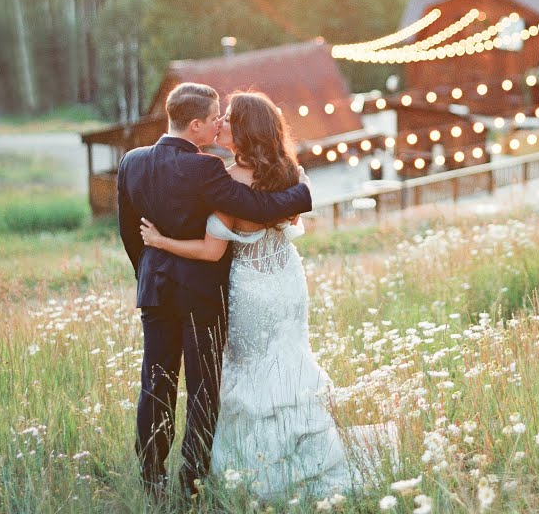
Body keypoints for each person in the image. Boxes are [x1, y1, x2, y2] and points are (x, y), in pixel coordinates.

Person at [140, 91, 394, 500]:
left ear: (242, 131)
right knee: (290, 361)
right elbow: (295, 202)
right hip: (288, 280)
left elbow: (211, 251)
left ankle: (259, 471)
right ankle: (306, 454)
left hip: (253, 288)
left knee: (252, 368)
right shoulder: (290, 171)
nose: (220, 123)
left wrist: (161, 241)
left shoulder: (224, 179)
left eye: (227, 119)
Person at [117, 83, 313, 501]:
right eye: (214, 118)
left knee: (156, 382)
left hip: (155, 289)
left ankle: (150, 480)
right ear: (195, 124)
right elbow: (259, 209)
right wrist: (302, 192)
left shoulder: (131, 162)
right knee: (204, 387)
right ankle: (192, 479)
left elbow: (129, 234)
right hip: (201, 293)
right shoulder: (206, 169)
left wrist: (149, 273)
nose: (219, 122)